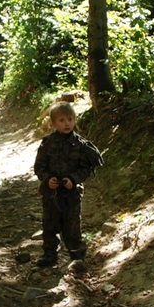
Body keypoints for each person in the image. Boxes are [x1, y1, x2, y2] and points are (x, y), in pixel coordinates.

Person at [33, 102, 103, 268]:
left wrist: (74, 179)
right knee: (50, 225)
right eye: (62, 120)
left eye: (70, 119)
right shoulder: (48, 143)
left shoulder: (81, 145)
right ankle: (50, 255)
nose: (67, 123)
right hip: (51, 193)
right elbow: (39, 167)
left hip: (72, 193)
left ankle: (77, 256)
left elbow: (88, 168)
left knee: (72, 226)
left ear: (74, 120)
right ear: (53, 123)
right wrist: (47, 178)